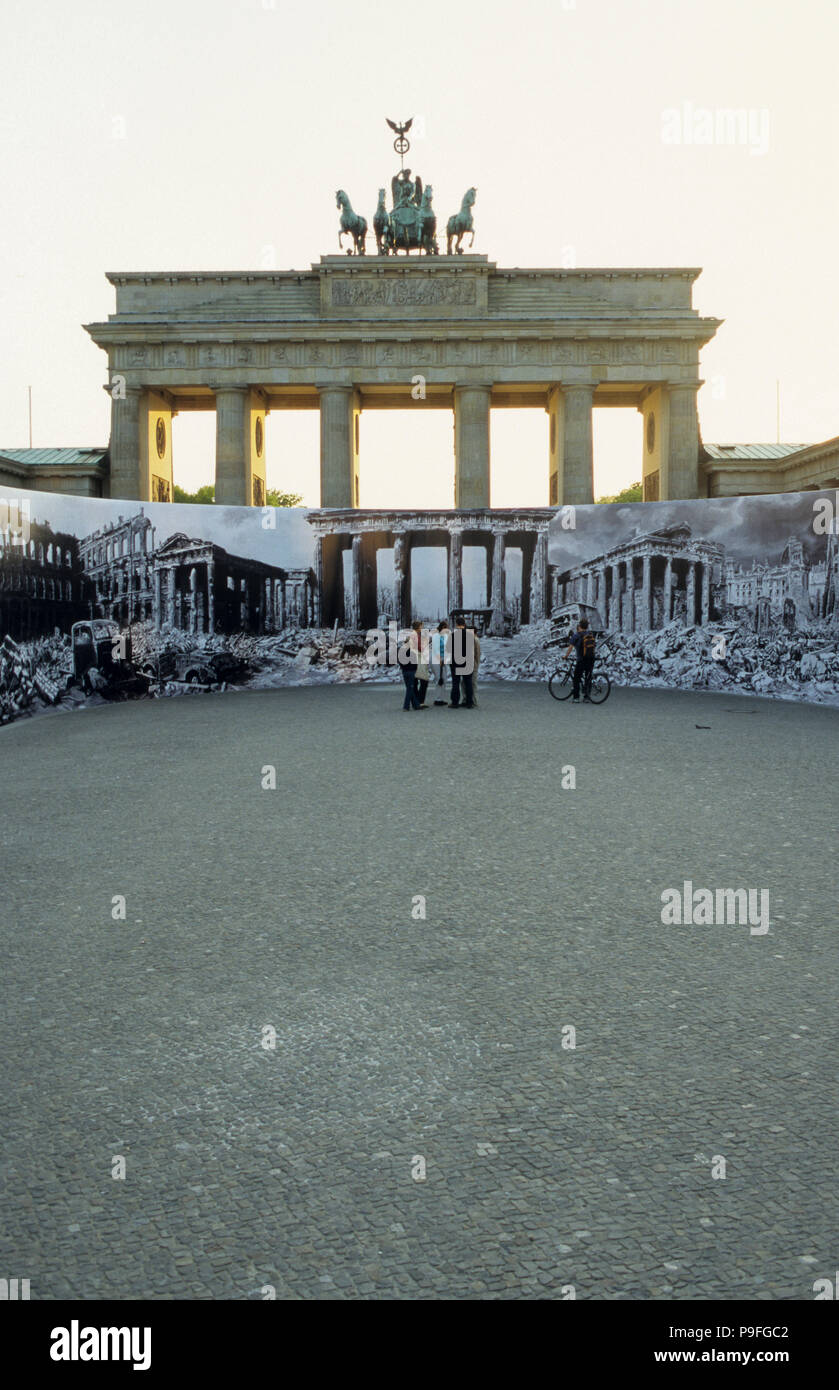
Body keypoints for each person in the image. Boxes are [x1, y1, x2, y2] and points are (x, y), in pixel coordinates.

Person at [565, 618, 596, 703]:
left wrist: (566, 656)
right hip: (591, 659)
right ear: (586, 626)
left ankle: (576, 698)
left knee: (576, 679)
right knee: (588, 677)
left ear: (580, 625)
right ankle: (586, 697)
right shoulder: (590, 634)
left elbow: (570, 647)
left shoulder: (576, 635)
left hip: (581, 659)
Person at [449, 618, 476, 709]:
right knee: (468, 682)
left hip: (455, 662)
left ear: (456, 624)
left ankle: (455, 702)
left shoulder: (452, 635)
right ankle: (469, 702)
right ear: (464, 624)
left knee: (455, 682)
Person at [397, 623, 423, 711]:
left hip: (404, 671)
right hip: (411, 671)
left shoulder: (401, 650)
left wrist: (403, 667)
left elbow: (400, 661)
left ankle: (416, 705)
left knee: (409, 688)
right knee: (410, 689)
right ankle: (406, 706)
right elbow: (415, 661)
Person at [414, 620, 431, 707]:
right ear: (419, 627)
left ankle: (416, 701)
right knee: (424, 681)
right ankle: (420, 701)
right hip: (419, 660)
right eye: (421, 626)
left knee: (415, 682)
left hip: (413, 662)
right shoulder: (417, 637)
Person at [432, 621, 449, 704]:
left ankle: (441, 698)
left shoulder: (445, 636)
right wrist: (440, 659)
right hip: (436, 659)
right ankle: (437, 699)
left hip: (444, 659)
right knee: (439, 678)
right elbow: (435, 649)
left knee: (444, 678)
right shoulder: (436, 636)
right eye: (445, 628)